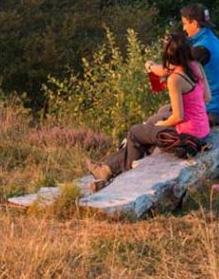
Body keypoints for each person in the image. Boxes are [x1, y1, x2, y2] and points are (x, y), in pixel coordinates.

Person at [85, 32, 210, 181]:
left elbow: (178, 116)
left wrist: (161, 123)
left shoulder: (175, 79)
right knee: (158, 116)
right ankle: (108, 168)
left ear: (169, 57)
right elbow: (207, 97)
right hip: (202, 129)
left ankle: (119, 175)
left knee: (135, 132)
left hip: (186, 136)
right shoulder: (196, 66)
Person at [180, 3, 219, 124]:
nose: (184, 29)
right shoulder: (214, 41)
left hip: (210, 111)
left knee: (157, 122)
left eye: (185, 24)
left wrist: (150, 66)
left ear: (195, 23)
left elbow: (177, 74)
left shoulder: (201, 49)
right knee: (164, 111)